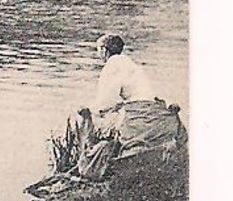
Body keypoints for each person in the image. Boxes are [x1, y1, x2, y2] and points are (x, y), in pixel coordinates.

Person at [74, 32, 184, 178]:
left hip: (137, 115)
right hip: (155, 112)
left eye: (98, 50)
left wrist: (88, 111)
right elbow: (144, 92)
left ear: (104, 50)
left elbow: (106, 102)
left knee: (106, 135)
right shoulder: (131, 64)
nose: (99, 55)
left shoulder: (112, 65)